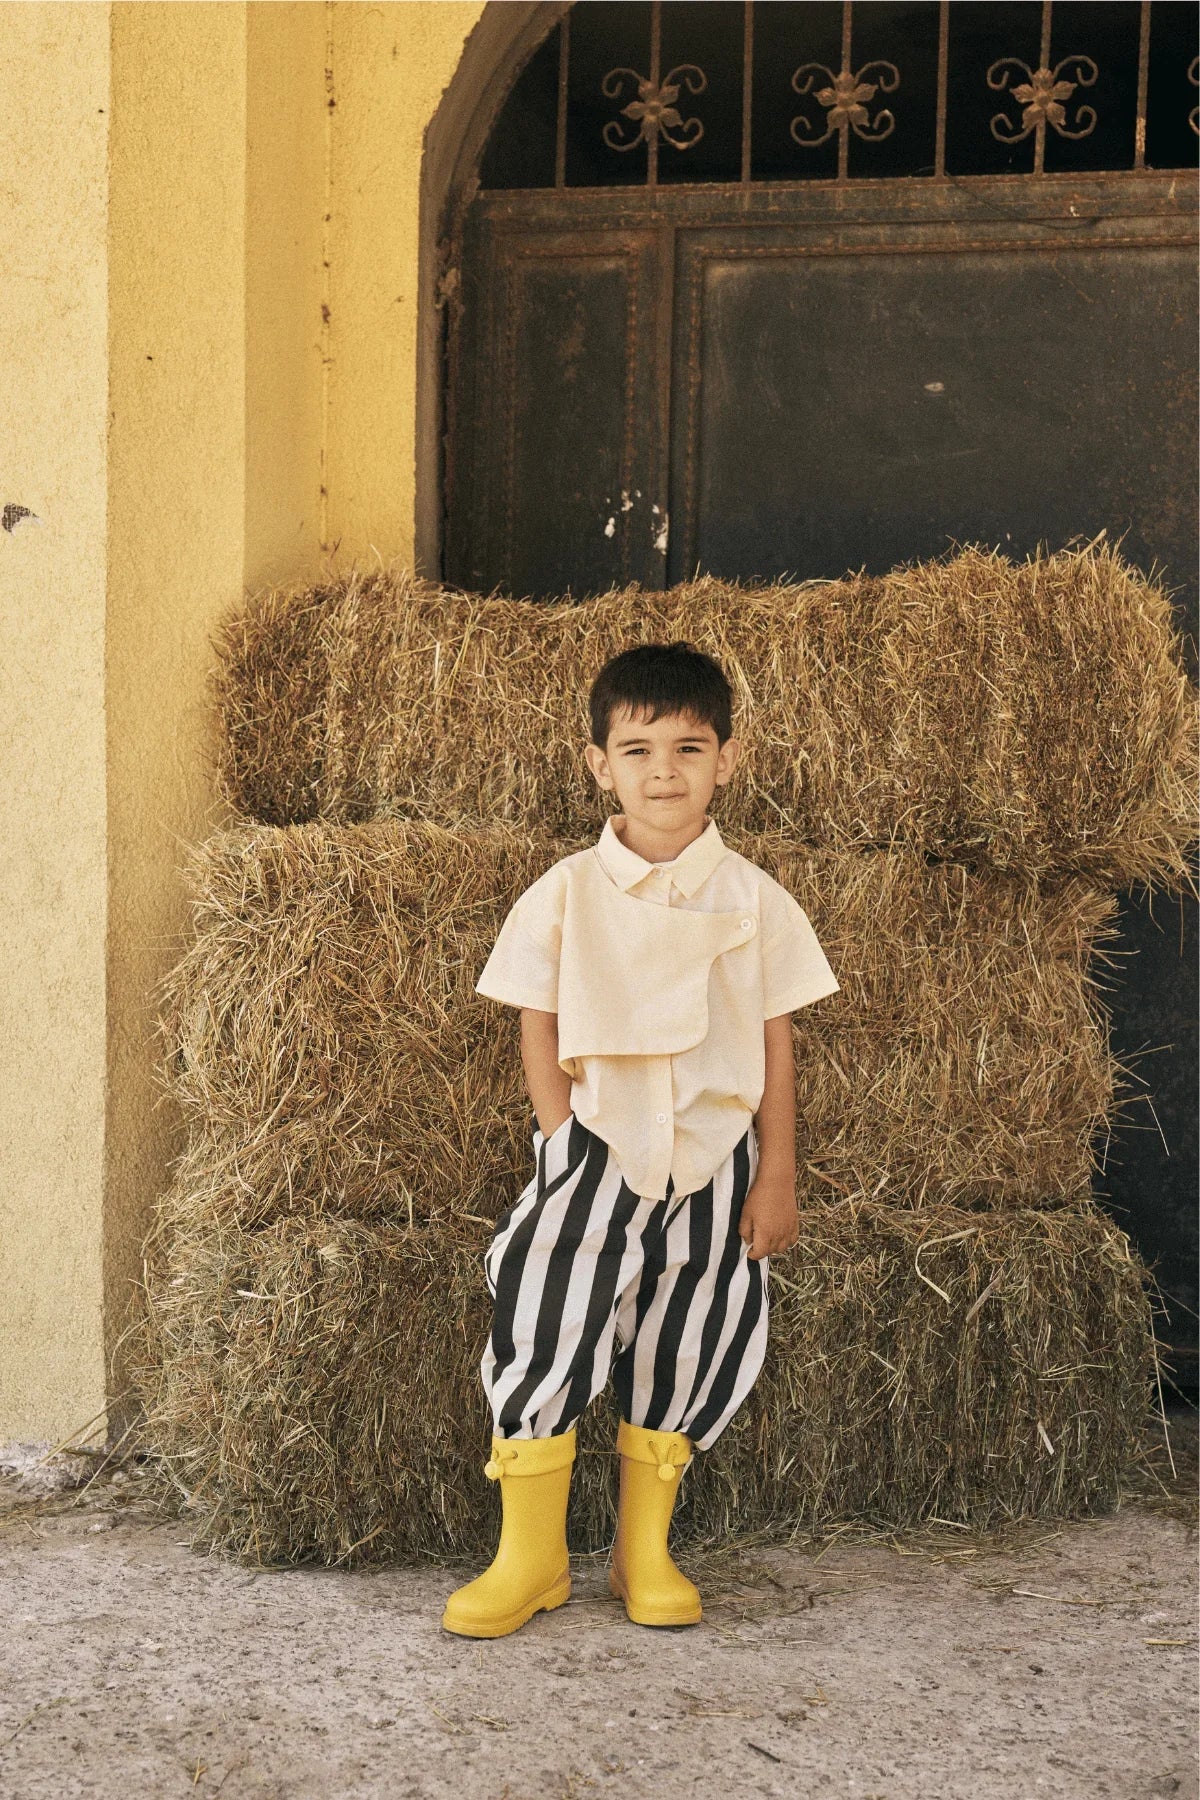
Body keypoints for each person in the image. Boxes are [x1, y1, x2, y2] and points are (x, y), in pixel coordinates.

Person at [441, 640, 840, 1639]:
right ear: (598, 764)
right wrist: (558, 1136)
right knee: (545, 1316)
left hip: (713, 1161)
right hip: (597, 1150)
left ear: (729, 760)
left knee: (691, 1329)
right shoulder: (566, 891)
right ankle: (527, 1557)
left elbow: (774, 1039)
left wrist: (777, 1170)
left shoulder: (755, 898)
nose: (664, 770)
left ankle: (641, 1551)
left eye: (689, 747)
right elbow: (534, 1014)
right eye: (639, 748)